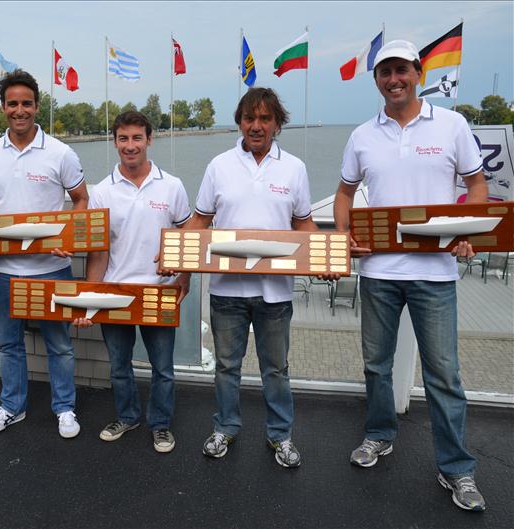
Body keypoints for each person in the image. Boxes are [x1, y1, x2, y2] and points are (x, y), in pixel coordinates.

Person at [334, 40, 487, 512]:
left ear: (418, 72)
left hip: (436, 274)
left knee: (444, 374)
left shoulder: (452, 125)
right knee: (376, 366)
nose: (393, 79)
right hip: (378, 271)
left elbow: (477, 184)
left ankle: (456, 468)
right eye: (384, 73)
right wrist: (344, 236)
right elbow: (344, 192)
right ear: (377, 80)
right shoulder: (362, 135)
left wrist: (469, 234)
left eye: (401, 70)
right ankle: (380, 435)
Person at [181, 88, 317, 467]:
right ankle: (225, 427)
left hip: (275, 293)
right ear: (239, 121)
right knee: (227, 367)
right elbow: (200, 220)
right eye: (248, 118)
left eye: (264, 119)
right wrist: (174, 252)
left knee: (276, 369)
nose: (256, 126)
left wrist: (324, 256)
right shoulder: (218, 166)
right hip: (226, 291)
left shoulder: (294, 168)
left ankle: (281, 436)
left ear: (277, 123)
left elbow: (304, 222)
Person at [0, 69, 89, 439]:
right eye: (12, 103)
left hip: (52, 268)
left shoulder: (61, 153)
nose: (20, 110)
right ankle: (12, 406)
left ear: (37, 106)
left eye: (27, 103)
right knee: (8, 344)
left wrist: (66, 234)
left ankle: (64, 408)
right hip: (4, 270)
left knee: (60, 345)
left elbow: (81, 199)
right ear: (3, 107)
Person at [75, 111, 191, 453]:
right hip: (115, 291)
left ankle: (161, 425)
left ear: (149, 140)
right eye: (123, 139)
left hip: (159, 291)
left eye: (137, 138)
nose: (130, 146)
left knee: (163, 369)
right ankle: (127, 417)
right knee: (119, 367)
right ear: (115, 142)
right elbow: (99, 252)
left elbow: (188, 237)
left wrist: (184, 278)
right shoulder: (102, 192)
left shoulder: (172, 186)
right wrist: (90, 296)